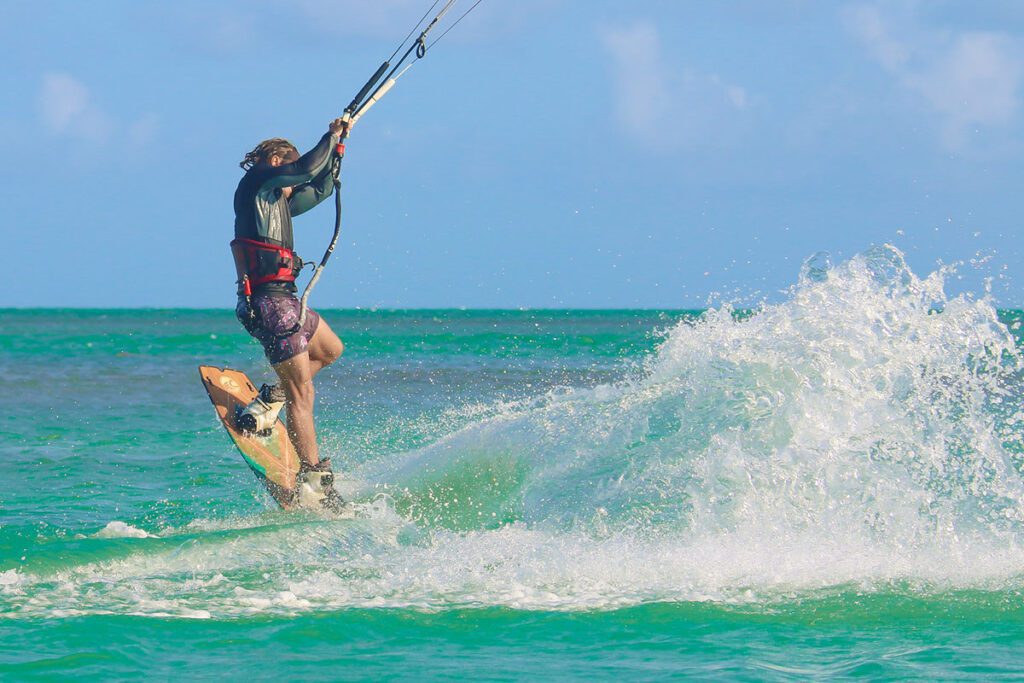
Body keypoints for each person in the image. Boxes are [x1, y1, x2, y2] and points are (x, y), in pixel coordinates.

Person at [231, 116, 349, 484]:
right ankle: (313, 478)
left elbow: (321, 188)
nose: (293, 189)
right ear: (277, 164)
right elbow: (305, 169)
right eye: (289, 178)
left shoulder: (276, 204)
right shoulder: (256, 184)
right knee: (304, 393)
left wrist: (338, 151)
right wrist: (328, 136)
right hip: (268, 304)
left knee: (330, 349)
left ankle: (270, 400)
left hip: (288, 302)